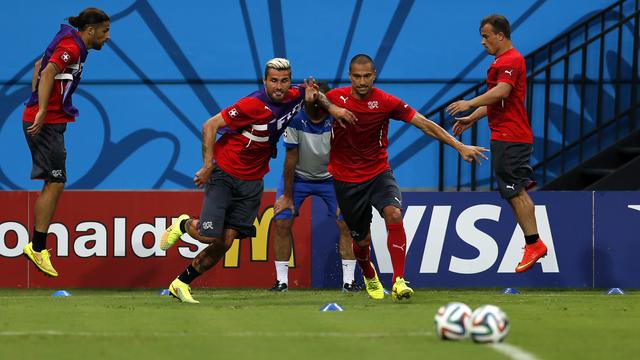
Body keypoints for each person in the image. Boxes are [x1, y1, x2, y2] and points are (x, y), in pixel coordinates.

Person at [159, 58, 356, 303]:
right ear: (264, 81)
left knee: (225, 242)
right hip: (225, 173)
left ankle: (180, 283)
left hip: (253, 180)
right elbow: (210, 125)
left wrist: (334, 109)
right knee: (209, 236)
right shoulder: (251, 104)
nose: (279, 86)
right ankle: (183, 225)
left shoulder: (296, 94)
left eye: (284, 81)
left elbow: (314, 93)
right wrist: (208, 165)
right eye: (273, 81)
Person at [326, 54, 489, 301]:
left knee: (394, 213)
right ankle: (369, 274)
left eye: (367, 76)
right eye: (357, 76)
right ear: (350, 76)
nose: (362, 81)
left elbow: (424, 124)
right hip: (347, 180)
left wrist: (459, 146)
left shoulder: (386, 102)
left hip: (378, 172)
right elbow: (308, 101)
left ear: (374, 75)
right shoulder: (334, 98)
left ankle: (399, 280)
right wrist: (321, 101)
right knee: (361, 240)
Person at [446, 14, 548, 273]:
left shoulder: (511, 60)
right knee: (513, 191)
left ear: (500, 36)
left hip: (511, 136)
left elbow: (502, 92)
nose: (483, 42)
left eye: (486, 36)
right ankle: (532, 243)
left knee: (516, 190)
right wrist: (472, 117)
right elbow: (498, 100)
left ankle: (534, 244)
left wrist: (469, 102)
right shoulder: (502, 61)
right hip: (506, 136)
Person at [22, 8, 111, 277]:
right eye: (105, 31)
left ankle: (36, 247)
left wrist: (37, 102)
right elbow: (48, 72)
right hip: (46, 123)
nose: (107, 37)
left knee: (55, 181)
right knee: (56, 181)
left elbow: (39, 65)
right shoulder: (71, 47)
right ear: (91, 30)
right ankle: (37, 248)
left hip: (51, 122)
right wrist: (40, 109)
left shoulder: (71, 42)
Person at [270, 82, 358, 293]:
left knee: (346, 223)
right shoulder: (295, 120)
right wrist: (287, 195)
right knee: (282, 221)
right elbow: (291, 159)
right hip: (298, 179)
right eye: (312, 99)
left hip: (332, 179)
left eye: (320, 99)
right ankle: (281, 282)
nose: (316, 103)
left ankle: (349, 282)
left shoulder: (338, 121)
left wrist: (344, 191)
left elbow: (346, 156)